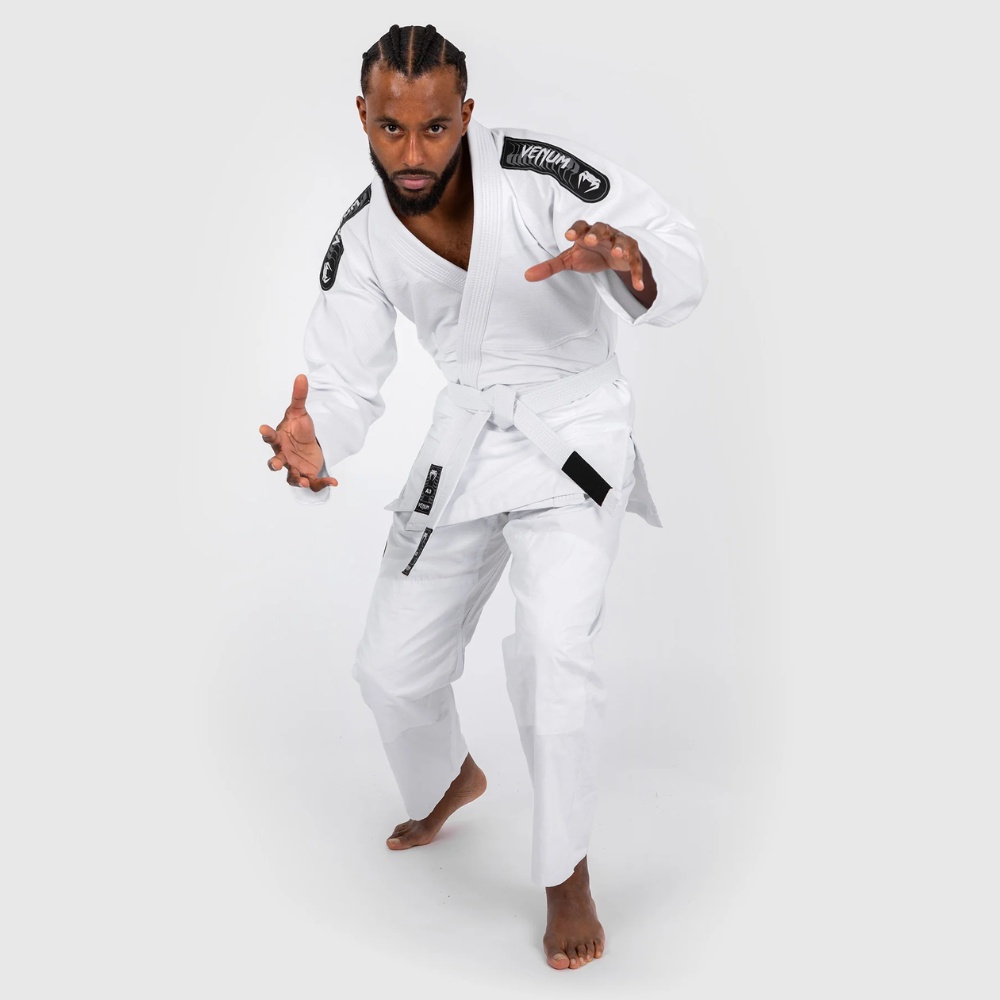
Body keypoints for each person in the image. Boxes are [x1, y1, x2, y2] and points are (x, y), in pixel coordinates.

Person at [259, 23, 707, 971]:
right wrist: (314, 438)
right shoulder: (363, 235)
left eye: (434, 128)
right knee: (388, 669)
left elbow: (674, 249)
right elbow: (342, 383)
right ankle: (448, 776)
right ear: (363, 116)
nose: (412, 154)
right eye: (391, 129)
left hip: (574, 432)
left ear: (465, 114)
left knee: (552, 655)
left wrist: (631, 261)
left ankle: (566, 871)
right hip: (466, 437)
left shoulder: (541, 177)